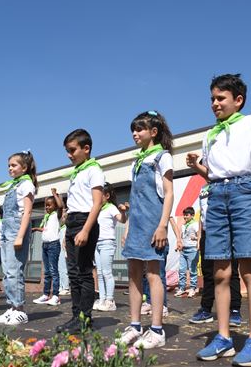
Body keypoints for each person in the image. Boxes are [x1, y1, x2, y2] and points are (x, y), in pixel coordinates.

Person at [187, 55, 251, 366]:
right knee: (220, 271)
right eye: (212, 99)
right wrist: (198, 167)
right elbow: (212, 175)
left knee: (248, 268)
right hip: (216, 195)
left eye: (220, 98)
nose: (215, 103)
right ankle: (223, 337)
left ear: (238, 100)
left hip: (244, 191)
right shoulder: (211, 134)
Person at [118, 110, 174, 350]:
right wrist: (129, 224)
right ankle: (135, 325)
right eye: (133, 129)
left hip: (154, 222)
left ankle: (157, 329)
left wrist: (162, 225)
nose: (135, 133)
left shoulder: (162, 157)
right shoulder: (137, 160)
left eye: (139, 129)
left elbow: (169, 193)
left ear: (153, 132)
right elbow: (135, 196)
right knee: (133, 274)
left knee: (153, 274)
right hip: (137, 223)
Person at [56, 129, 104, 334]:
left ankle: (85, 318)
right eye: (67, 151)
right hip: (73, 222)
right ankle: (76, 317)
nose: (69, 155)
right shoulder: (77, 172)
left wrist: (85, 230)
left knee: (84, 272)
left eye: (72, 150)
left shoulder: (94, 170)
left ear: (86, 149)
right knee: (73, 273)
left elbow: (97, 203)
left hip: (85, 222)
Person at [189, 184, 243, 327]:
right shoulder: (202, 188)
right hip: (207, 234)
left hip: (225, 231)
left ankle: (235, 310)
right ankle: (206, 309)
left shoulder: (226, 181)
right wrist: (201, 236)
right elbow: (202, 215)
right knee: (208, 274)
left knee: (231, 273)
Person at [0, 151, 37, 325]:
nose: (10, 168)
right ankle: (11, 307)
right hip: (6, 231)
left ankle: (19, 309)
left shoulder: (26, 185)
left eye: (14, 165)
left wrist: (19, 236)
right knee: (7, 272)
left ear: (24, 167)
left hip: (16, 230)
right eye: (9, 165)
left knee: (14, 271)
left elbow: (27, 212)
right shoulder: (14, 185)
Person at [95, 182, 128, 311]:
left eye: (100, 195)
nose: (97, 197)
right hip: (97, 243)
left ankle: (110, 300)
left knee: (107, 272)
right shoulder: (98, 209)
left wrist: (123, 212)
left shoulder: (111, 208)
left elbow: (122, 220)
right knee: (99, 273)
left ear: (107, 195)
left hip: (107, 242)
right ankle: (102, 298)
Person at [33, 188, 64, 306]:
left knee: (53, 271)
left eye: (49, 205)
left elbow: (61, 205)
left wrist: (55, 194)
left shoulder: (57, 214)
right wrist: (36, 229)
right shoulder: (47, 217)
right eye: (46, 205)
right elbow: (46, 229)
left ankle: (56, 296)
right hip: (45, 245)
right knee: (47, 272)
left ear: (54, 206)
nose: (47, 207)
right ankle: (46, 295)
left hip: (53, 245)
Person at [174, 207, 200, 298]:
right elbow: (182, 237)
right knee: (182, 270)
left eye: (187, 215)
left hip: (192, 249)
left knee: (192, 270)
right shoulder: (184, 225)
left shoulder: (195, 224)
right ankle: (181, 288)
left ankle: (192, 288)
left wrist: (196, 239)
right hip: (183, 249)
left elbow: (200, 236)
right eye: (184, 214)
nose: (185, 216)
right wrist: (178, 245)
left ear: (192, 215)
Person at [57, 209, 70, 296]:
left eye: (64, 217)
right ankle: (61, 286)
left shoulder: (66, 228)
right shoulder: (60, 228)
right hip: (59, 250)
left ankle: (66, 287)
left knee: (64, 267)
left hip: (64, 249)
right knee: (59, 267)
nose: (62, 218)